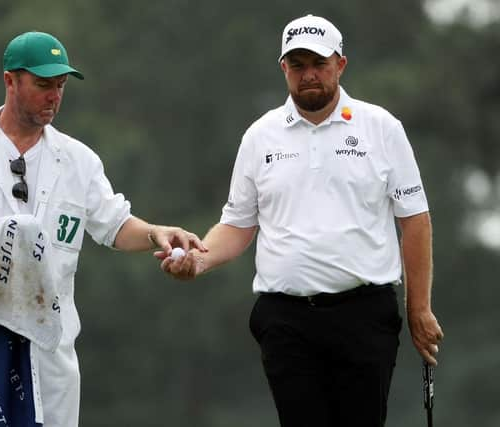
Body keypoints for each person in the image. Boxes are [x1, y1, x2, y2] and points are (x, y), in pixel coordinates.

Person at [160, 14, 444, 427]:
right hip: (285, 319)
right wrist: (199, 259)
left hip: (363, 315)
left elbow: (414, 220)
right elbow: (238, 224)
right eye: (298, 65)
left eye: (319, 64)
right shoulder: (261, 135)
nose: (309, 74)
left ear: (340, 65)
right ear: (284, 69)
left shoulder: (380, 127)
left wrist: (419, 308)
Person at [0, 31, 205, 427]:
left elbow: (113, 225)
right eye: (43, 85)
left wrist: (156, 232)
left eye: (60, 86)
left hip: (50, 349)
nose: (54, 96)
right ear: (10, 80)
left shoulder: (78, 159)